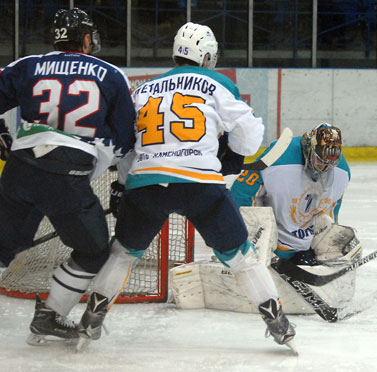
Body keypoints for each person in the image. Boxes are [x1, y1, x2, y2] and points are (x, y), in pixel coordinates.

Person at [78, 22, 296, 351]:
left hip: (146, 184)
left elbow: (128, 145)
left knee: (123, 254)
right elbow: (250, 134)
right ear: (207, 56)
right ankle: (278, 323)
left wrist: (123, 185)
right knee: (243, 259)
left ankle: (91, 318)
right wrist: (233, 158)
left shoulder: (144, 89)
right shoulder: (218, 82)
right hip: (200, 185)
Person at [0, 8, 136, 344]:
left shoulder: (29, 65)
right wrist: (120, 183)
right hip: (67, 179)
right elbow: (125, 141)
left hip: (20, 171)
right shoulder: (110, 74)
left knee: (1, 247)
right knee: (93, 251)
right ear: (87, 39)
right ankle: (51, 315)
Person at [230, 123, 356, 267]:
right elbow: (242, 193)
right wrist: (246, 239)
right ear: (310, 148)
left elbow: (330, 212)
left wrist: (312, 248)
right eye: (320, 161)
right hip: (268, 240)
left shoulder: (342, 172)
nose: (324, 168)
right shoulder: (279, 158)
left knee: (339, 240)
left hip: (302, 246)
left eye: (329, 164)